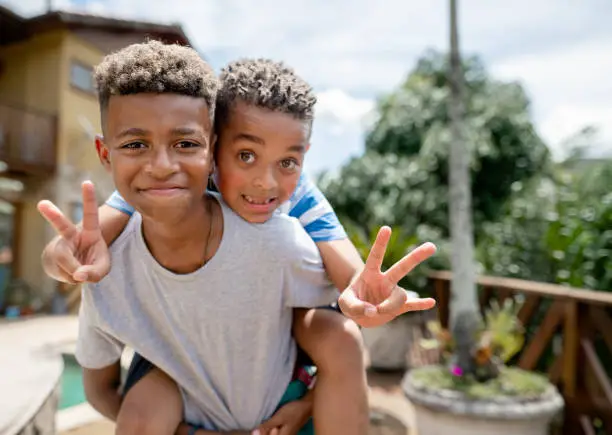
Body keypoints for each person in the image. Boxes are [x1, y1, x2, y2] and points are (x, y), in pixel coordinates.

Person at [39, 43, 437, 435]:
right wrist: (58, 257)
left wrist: (363, 306)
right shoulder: (154, 199)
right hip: (175, 360)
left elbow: (354, 284)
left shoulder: (294, 211)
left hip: (281, 324)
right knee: (145, 408)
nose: (265, 181)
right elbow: (98, 229)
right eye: (246, 155)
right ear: (219, 149)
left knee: (339, 336)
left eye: (286, 162)